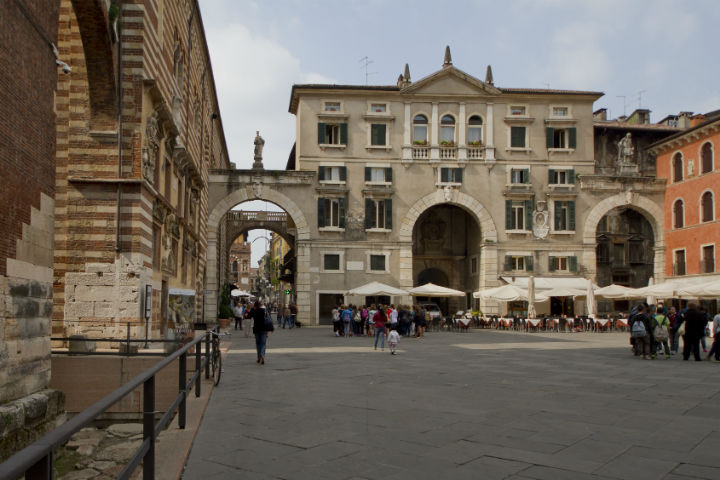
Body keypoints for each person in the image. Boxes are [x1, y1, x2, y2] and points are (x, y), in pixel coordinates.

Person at [251, 300, 273, 364]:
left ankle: (258, 358)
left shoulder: (254, 311)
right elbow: (268, 320)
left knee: (258, 344)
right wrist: (270, 329)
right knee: (263, 344)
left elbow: (249, 315)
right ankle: (262, 355)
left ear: (255, 305)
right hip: (264, 329)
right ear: (261, 305)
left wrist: (253, 308)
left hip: (256, 329)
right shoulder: (264, 311)